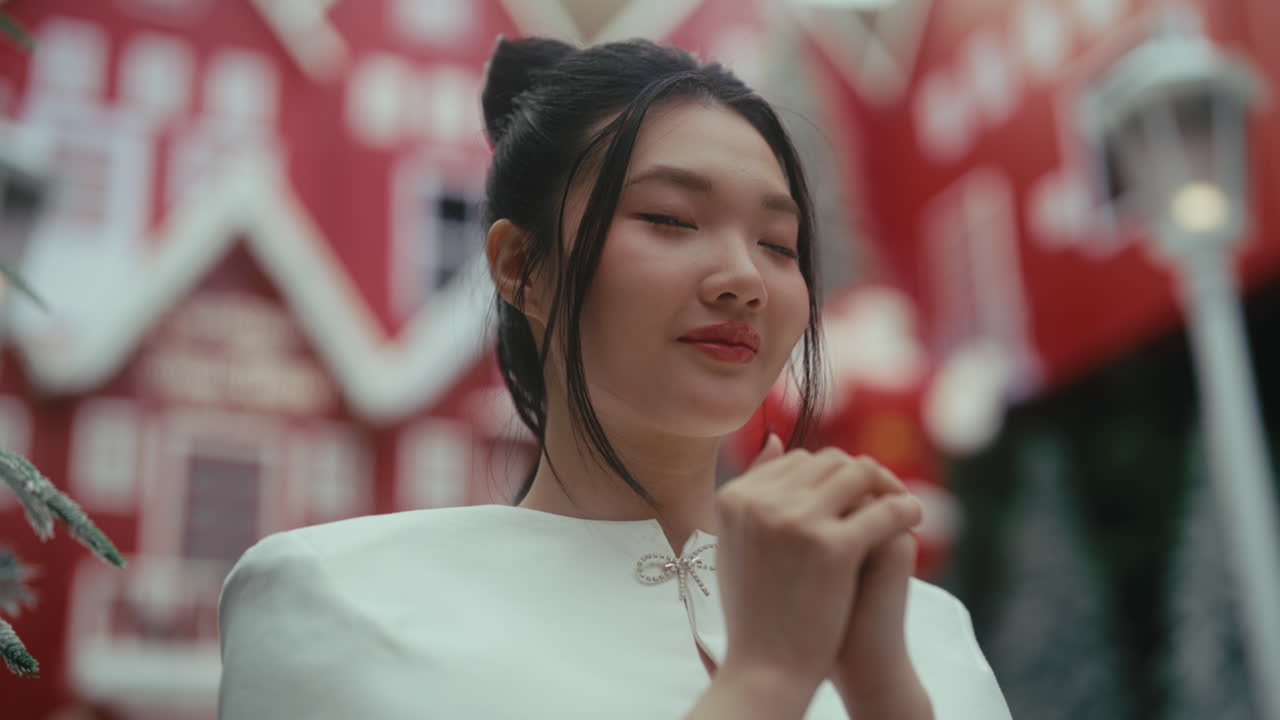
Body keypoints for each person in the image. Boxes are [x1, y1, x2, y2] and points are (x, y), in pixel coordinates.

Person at [216, 36, 1012, 720]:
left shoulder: (925, 634)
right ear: (521, 267)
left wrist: (886, 698)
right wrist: (764, 681)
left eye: (779, 243)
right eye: (668, 219)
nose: (745, 279)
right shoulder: (341, 601)